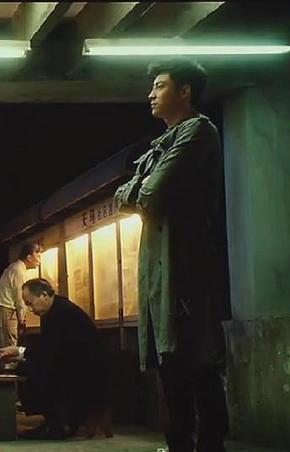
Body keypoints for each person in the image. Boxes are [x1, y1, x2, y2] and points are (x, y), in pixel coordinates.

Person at [113, 57, 229, 452]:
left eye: (160, 86)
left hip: (186, 265)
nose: (151, 94)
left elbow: (149, 194)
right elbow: (121, 197)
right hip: (161, 267)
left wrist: (142, 189)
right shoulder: (159, 144)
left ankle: (209, 446)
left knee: (197, 365)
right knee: (172, 369)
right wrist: (142, 189)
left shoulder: (197, 131)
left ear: (185, 91)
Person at [0, 278, 108, 440]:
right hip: (71, 364)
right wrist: (21, 354)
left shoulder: (64, 313)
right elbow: (50, 349)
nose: (30, 309)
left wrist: (20, 352)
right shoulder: (53, 311)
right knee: (28, 368)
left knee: (33, 371)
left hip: (86, 370)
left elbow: (56, 350)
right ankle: (49, 421)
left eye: (31, 303)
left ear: (44, 295)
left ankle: (55, 423)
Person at [0, 242, 41, 362]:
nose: (39, 260)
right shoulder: (19, 271)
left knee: (2, 352)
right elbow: (20, 297)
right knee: (8, 352)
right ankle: (7, 374)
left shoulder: (14, 267)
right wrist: (22, 320)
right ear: (29, 257)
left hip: (0, 312)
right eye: (38, 256)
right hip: (6, 312)